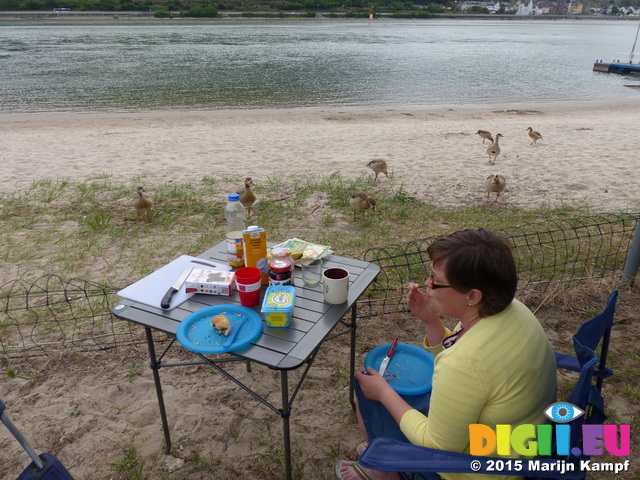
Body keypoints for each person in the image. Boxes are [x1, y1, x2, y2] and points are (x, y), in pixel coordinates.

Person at [336, 229, 557, 480]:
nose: (427, 284)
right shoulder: (512, 310)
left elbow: (438, 448)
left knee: (371, 386)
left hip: (476, 469)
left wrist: (384, 393)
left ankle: (386, 470)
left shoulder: (462, 364)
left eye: (435, 279)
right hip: (517, 447)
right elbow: (469, 363)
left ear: (472, 296)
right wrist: (432, 321)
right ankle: (387, 457)